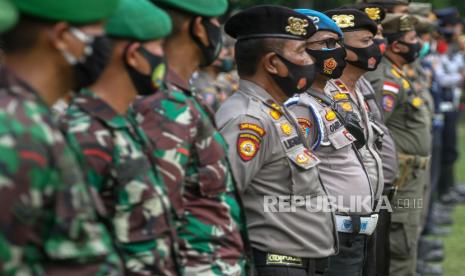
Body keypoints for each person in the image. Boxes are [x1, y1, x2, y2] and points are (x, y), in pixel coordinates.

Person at [0, 0, 124, 274]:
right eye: (99, 33)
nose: (106, 47)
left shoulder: (34, 120)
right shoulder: (17, 132)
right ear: (62, 37)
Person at [59, 0, 179, 274]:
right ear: (134, 54)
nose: (164, 57)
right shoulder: (85, 132)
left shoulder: (123, 121)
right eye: (159, 47)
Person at [216, 5, 338, 276]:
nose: (310, 60)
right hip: (277, 265)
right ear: (272, 63)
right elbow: (219, 203)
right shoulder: (248, 120)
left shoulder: (274, 110)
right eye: (301, 52)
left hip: (298, 263)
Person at [134, 0, 249, 275]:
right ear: (199, 27)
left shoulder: (182, 96)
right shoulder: (165, 104)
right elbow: (157, 217)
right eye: (215, 24)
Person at [285, 9, 374, 276]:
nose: (336, 52)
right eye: (325, 44)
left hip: (350, 233)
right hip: (328, 235)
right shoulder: (300, 106)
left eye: (337, 44)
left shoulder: (330, 93)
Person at [364, 13, 431, 276]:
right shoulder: (386, 80)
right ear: (397, 46)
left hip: (410, 174)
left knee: (406, 241)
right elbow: (377, 130)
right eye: (413, 38)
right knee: (398, 246)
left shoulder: (397, 74)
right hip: (399, 178)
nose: (419, 43)